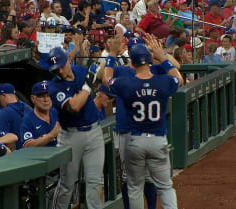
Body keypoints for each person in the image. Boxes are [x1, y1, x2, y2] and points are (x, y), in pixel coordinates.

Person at [101, 35, 182, 209]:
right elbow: (179, 78)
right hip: (158, 139)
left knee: (134, 187)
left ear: (133, 60)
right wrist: (162, 56)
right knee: (166, 186)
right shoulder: (162, 81)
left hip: (135, 140)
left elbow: (105, 80)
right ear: (149, 59)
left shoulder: (126, 84)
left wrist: (112, 54)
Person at [47, 47, 104, 209]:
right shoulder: (54, 87)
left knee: (94, 183)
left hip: (94, 132)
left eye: (61, 65)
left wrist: (104, 64)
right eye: (55, 69)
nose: (59, 70)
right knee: (67, 185)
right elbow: (74, 106)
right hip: (71, 136)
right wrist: (87, 86)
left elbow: (99, 76)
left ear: (68, 61)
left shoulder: (80, 70)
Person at [0, 83, 32, 150]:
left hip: (16, 154)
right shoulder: (28, 108)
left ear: (3, 95)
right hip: (33, 150)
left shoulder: (5, 112)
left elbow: (2, 137)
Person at [20, 81, 60, 148]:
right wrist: (51, 135)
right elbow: (27, 145)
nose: (46, 99)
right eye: (41, 96)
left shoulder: (56, 113)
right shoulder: (27, 120)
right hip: (40, 157)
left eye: (48, 95)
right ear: (33, 99)